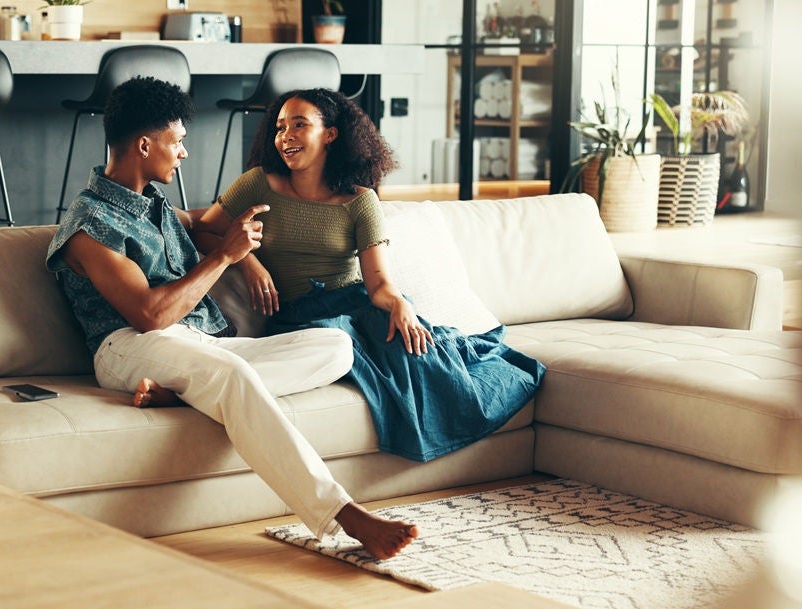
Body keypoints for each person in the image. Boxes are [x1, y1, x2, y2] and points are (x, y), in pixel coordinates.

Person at [45, 77, 417, 559]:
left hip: (196, 344)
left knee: (336, 348)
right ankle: (342, 514)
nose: (183, 154)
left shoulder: (151, 206)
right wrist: (225, 257)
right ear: (144, 144)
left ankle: (179, 395)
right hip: (127, 346)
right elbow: (150, 315)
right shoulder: (90, 225)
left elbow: (202, 224)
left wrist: (247, 235)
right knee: (234, 374)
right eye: (177, 142)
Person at [194, 88, 545, 463]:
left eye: (300, 125)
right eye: (280, 127)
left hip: (358, 305)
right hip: (303, 319)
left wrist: (399, 305)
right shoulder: (257, 183)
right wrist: (249, 262)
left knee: (424, 359)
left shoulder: (361, 202)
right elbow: (201, 230)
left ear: (330, 134)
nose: (286, 136)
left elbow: (378, 285)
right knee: (368, 356)